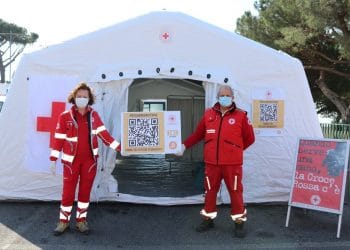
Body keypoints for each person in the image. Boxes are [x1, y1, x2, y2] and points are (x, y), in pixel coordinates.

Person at [177, 85, 255, 238]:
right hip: (212, 164)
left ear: (232, 97)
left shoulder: (241, 116)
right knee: (210, 192)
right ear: (218, 97)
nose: (224, 97)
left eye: (227, 95)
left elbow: (250, 138)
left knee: (236, 192)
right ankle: (208, 219)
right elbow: (198, 134)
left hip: (232, 165)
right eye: (222, 95)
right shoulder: (208, 115)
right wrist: (184, 145)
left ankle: (239, 223)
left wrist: (235, 150)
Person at [50, 82, 121, 236]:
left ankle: (81, 221)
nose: (82, 98)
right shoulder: (65, 117)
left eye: (85, 96)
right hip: (70, 163)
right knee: (67, 193)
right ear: (74, 98)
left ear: (89, 99)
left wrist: (120, 148)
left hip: (89, 162)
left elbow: (105, 136)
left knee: (84, 193)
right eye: (79, 96)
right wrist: (53, 158)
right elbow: (58, 139)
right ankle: (63, 222)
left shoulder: (94, 116)